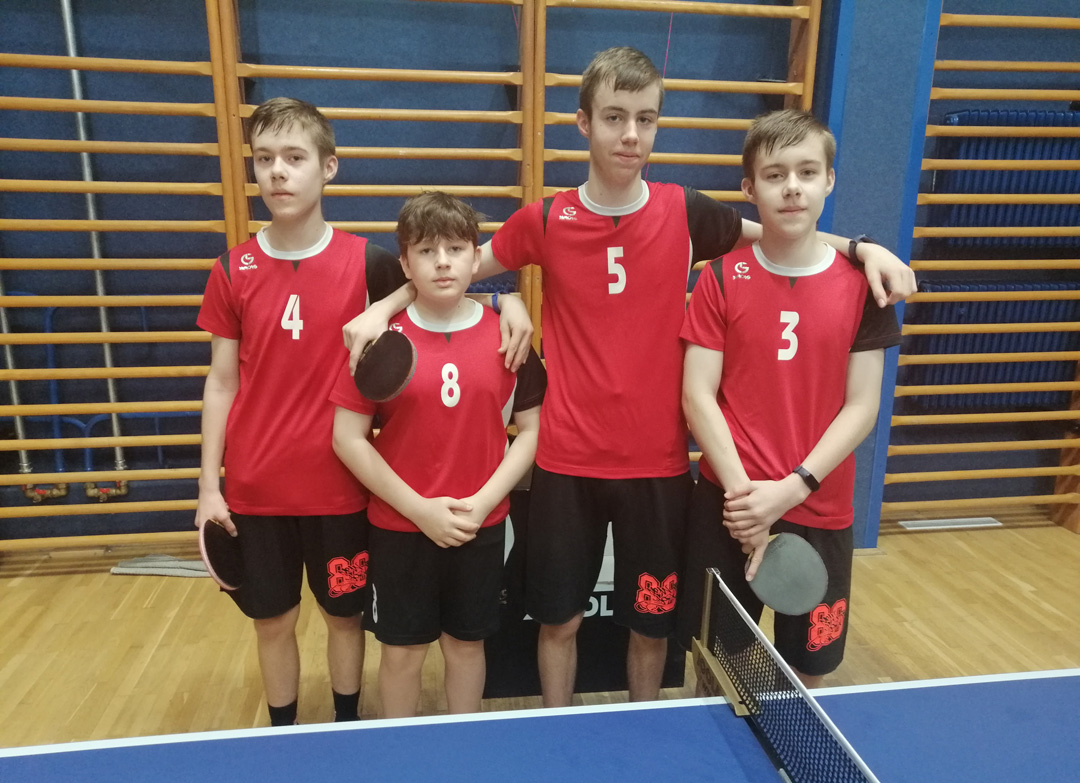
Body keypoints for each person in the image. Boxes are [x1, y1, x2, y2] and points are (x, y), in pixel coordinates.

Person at [344, 47, 915, 707]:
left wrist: (863, 247)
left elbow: (780, 232)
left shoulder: (686, 212)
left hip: (658, 466)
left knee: (651, 627)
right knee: (559, 622)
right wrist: (423, 305)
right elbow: (457, 269)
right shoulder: (546, 219)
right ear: (584, 123)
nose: (631, 135)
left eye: (646, 119)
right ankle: (558, 724)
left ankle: (647, 727)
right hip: (567, 463)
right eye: (615, 117)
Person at [195, 99, 531, 727]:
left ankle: (349, 727)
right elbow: (221, 382)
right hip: (256, 485)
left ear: (328, 168)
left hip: (342, 489)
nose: (278, 171)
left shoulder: (368, 262)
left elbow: (438, 281)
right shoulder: (232, 269)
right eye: (264, 159)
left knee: (344, 618)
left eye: (294, 157)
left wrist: (505, 300)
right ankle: (285, 734)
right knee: (274, 622)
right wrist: (208, 486)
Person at [678, 109, 902, 687]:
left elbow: (863, 406)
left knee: (808, 669)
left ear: (830, 180)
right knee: (716, 661)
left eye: (807, 172)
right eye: (775, 175)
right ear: (750, 189)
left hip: (819, 506)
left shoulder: (864, 289)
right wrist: (745, 502)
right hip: (730, 505)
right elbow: (697, 395)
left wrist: (794, 487)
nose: (793, 187)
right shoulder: (719, 278)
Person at [330, 192, 546, 718]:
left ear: (476, 257)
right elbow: (347, 438)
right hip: (400, 527)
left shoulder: (510, 337)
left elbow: (532, 431)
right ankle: (400, 750)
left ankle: (463, 747)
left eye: (455, 248)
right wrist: (420, 510)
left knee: (466, 646)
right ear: (405, 264)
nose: (443, 262)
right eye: (426, 251)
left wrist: (483, 502)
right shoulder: (378, 341)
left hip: (479, 525)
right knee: (402, 652)